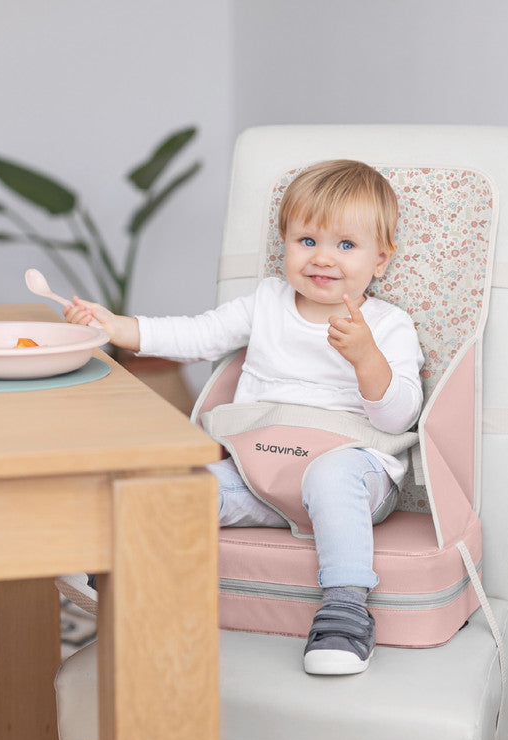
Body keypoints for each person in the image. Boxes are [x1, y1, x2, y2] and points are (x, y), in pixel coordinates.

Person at [57, 159, 423, 676]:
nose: (322, 258)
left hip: (354, 475)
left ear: (380, 260)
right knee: (185, 487)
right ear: (284, 243)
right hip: (261, 476)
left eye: (346, 245)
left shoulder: (387, 324)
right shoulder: (267, 302)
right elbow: (196, 335)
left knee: (331, 473)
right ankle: (119, 569)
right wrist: (117, 326)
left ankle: (346, 610)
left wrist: (366, 358)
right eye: (307, 241)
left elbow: (398, 418)